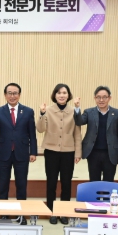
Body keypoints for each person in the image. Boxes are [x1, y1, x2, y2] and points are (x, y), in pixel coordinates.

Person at [38, 83, 82, 224]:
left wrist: (78, 153)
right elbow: (40, 129)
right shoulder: (48, 110)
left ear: (68, 95)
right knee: (51, 183)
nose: (62, 95)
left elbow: (77, 133)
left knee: (66, 183)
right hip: (51, 151)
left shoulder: (74, 111)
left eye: (64, 93)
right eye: (59, 93)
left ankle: (64, 212)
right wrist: (42, 114)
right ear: (55, 95)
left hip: (68, 152)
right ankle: (51, 211)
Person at [0, 83, 37, 203]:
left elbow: (32, 133)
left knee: (21, 184)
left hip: (22, 153)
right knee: (3, 184)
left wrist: (33, 152)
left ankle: (21, 210)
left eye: (15, 93)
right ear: (5, 95)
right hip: (3, 153)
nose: (12, 96)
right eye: (9, 93)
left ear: (19, 95)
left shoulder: (28, 111)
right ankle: (3, 210)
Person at [74, 86, 118, 181]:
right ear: (95, 98)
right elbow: (79, 122)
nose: (101, 100)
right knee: (94, 180)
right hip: (93, 153)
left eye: (104, 97)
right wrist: (77, 108)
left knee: (109, 181)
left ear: (109, 98)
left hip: (111, 153)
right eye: (98, 97)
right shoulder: (89, 112)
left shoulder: (117, 113)